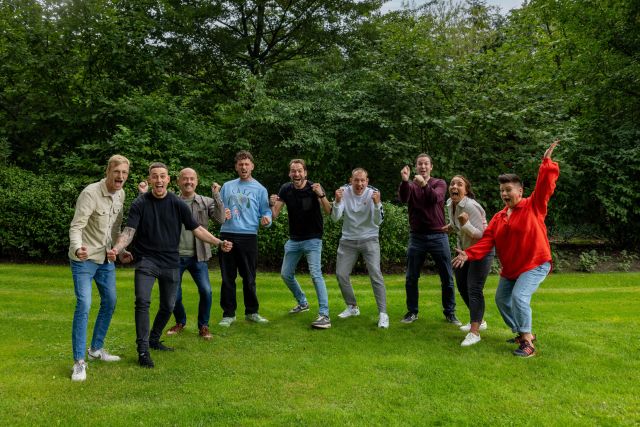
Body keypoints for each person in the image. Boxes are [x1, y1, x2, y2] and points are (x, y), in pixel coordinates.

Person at [108, 162, 232, 368]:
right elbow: (129, 231)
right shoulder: (140, 203)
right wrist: (117, 249)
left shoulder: (177, 203)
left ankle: (154, 339)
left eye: (162, 176)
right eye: (154, 176)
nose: (158, 180)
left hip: (170, 262)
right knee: (142, 301)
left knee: (168, 306)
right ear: (150, 179)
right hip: (147, 261)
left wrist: (219, 242)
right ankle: (143, 349)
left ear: (167, 180)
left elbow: (197, 229)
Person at [453, 141, 560, 357]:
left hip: (535, 263)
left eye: (508, 189)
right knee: (502, 300)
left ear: (520, 191)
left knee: (519, 297)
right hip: (512, 269)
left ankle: (527, 343)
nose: (504, 193)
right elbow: (486, 241)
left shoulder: (533, 206)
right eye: (502, 190)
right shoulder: (499, 217)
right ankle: (521, 333)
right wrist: (469, 253)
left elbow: (544, 186)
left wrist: (546, 162)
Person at [139, 168, 225, 340]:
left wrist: (217, 196)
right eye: (185, 179)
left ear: (197, 181)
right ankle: (180, 321)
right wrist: (143, 194)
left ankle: (203, 325)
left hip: (198, 256)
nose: (188, 182)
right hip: (173, 257)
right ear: (178, 181)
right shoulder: (169, 201)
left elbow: (221, 219)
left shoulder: (205, 201)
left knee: (206, 291)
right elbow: (150, 213)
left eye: (192, 179)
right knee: (174, 295)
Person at [68, 154, 130, 382]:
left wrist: (120, 250)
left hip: (106, 260)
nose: (120, 176)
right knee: (84, 304)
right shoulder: (90, 193)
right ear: (108, 172)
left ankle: (95, 349)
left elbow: (115, 228)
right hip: (84, 259)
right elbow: (76, 226)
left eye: (124, 173)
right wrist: (78, 248)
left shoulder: (121, 194)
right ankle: (79, 362)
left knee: (110, 301)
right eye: (117, 172)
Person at [398, 154, 460, 325]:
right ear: (416, 167)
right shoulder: (411, 186)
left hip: (438, 236)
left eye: (426, 164)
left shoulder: (439, 183)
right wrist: (405, 181)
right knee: (411, 277)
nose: (423, 167)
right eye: (420, 164)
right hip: (417, 236)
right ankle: (412, 312)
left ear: (431, 167)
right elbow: (403, 198)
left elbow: (435, 199)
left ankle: (450, 313)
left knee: (447, 277)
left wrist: (424, 185)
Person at [270, 159, 332, 329]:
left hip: (313, 239)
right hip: (294, 240)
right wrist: (271, 203)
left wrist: (321, 195)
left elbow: (329, 211)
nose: (296, 174)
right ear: (289, 173)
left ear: (305, 173)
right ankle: (303, 302)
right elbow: (274, 215)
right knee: (286, 274)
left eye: (299, 171)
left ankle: (324, 315)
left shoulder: (314, 188)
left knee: (315, 274)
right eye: (293, 171)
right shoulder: (285, 189)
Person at [217, 150, 272, 327]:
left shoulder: (260, 189)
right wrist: (221, 214)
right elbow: (218, 211)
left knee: (249, 278)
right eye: (240, 164)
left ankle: (252, 312)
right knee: (228, 278)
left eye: (247, 164)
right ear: (236, 167)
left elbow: (266, 211)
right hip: (227, 234)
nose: (244, 167)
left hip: (249, 236)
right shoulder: (227, 186)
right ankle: (228, 314)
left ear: (252, 166)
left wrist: (267, 220)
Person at [331, 168, 389, 328]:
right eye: (356, 180)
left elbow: (378, 221)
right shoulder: (343, 191)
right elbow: (335, 218)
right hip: (348, 240)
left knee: (375, 274)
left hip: (369, 238)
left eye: (363, 180)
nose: (359, 183)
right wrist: (337, 202)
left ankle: (383, 314)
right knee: (341, 274)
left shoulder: (373, 193)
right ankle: (352, 307)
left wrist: (377, 204)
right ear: (351, 181)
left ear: (367, 181)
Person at [443, 175, 494, 346]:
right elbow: (457, 225)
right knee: (462, 286)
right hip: (463, 251)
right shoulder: (450, 203)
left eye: (459, 184)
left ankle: (475, 332)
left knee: (474, 288)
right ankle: (480, 320)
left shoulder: (471, 206)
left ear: (466, 190)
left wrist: (465, 224)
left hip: (481, 252)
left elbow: (482, 235)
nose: (454, 186)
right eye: (452, 183)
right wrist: (451, 227)